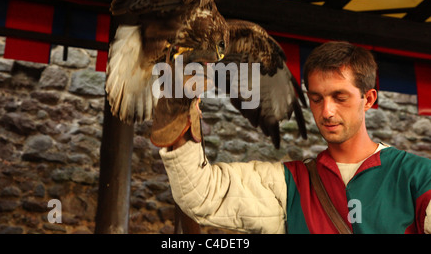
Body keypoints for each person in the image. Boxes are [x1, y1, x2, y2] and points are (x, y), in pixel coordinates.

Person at [153, 41, 431, 234]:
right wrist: (180, 115)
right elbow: (203, 195)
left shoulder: (417, 177)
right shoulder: (290, 185)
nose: (327, 111)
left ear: (368, 99)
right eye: (317, 98)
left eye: (339, 97)